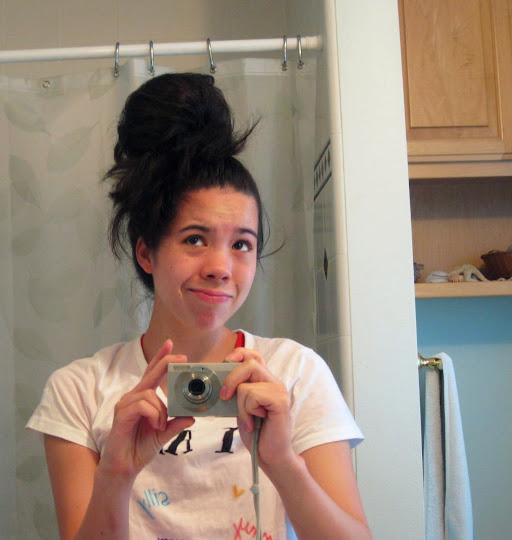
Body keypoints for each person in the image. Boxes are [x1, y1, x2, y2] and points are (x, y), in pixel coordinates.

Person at [28, 73, 372, 540]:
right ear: (146, 252)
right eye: (195, 239)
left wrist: (281, 461)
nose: (220, 268)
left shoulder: (295, 373)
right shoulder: (79, 390)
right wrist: (117, 473)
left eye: (242, 244)